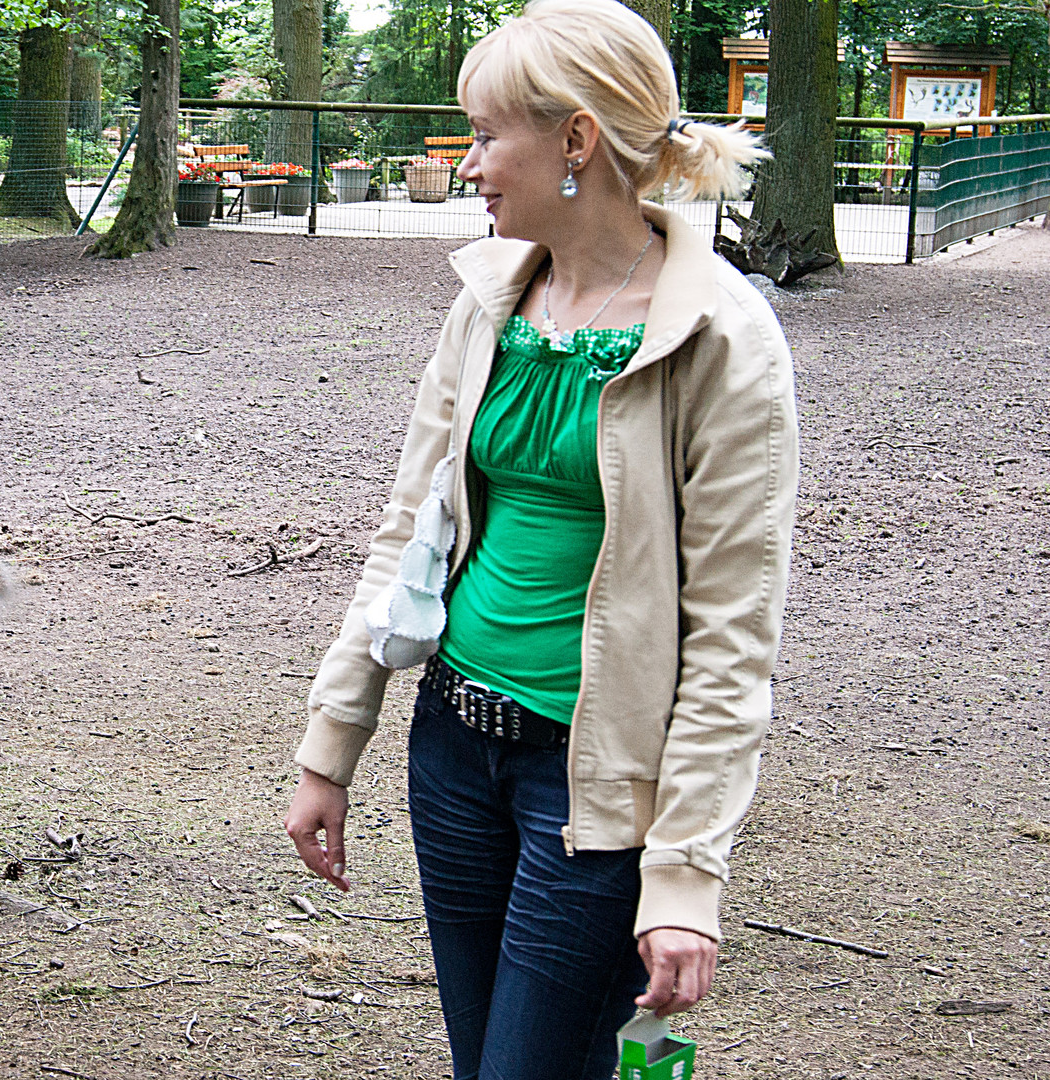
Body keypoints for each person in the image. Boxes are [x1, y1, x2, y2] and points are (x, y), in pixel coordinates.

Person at [282, 2, 798, 1077]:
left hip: (592, 790)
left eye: (483, 135)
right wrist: (332, 743)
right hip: (451, 750)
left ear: (574, 140)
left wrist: (686, 880)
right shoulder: (487, 304)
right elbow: (405, 533)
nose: (467, 163)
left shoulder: (721, 335)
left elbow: (731, 637)